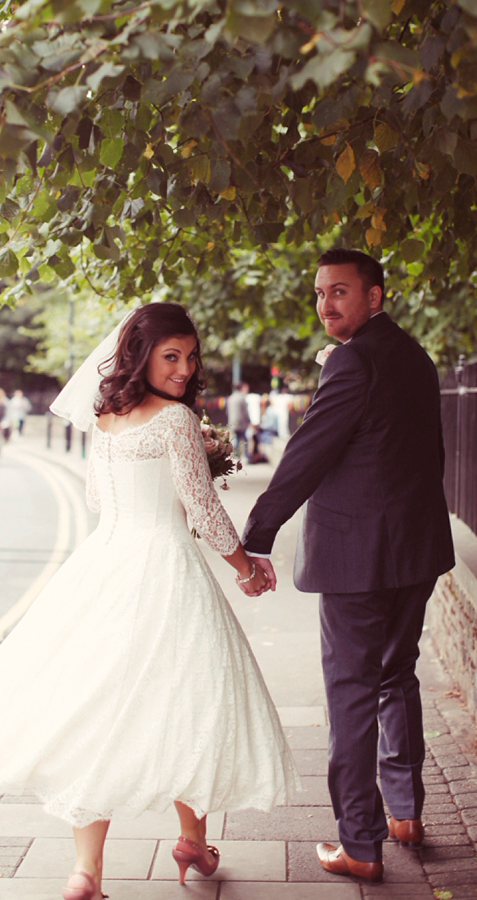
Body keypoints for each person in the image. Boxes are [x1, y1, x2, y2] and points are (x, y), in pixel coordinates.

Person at [0, 303, 299, 900]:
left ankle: (87, 873)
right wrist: (245, 566)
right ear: (139, 355)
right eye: (171, 356)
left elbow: (97, 498)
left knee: (99, 707)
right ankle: (192, 843)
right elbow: (200, 510)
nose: (183, 368)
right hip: (167, 567)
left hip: (104, 566)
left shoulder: (105, 418)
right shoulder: (176, 421)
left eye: (190, 355)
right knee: (188, 700)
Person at [241, 249, 455, 882]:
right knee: (397, 676)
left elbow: (308, 453)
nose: (325, 304)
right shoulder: (415, 357)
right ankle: (406, 813)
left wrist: (257, 536)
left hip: (358, 556)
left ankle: (360, 844)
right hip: (415, 548)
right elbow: (429, 452)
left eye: (339, 291)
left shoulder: (353, 361)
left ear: (375, 298)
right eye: (319, 293)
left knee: (353, 691)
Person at [226, 382, 250, 459]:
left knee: (236, 439)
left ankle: (236, 455)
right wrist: (248, 420)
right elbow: (245, 411)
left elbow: (227, 411)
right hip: (242, 422)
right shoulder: (242, 397)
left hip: (233, 422)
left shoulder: (231, 398)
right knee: (244, 439)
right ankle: (246, 456)